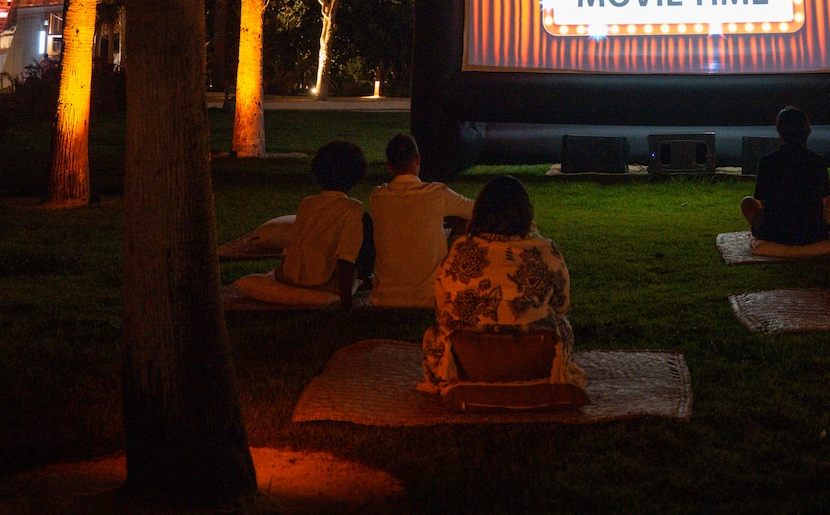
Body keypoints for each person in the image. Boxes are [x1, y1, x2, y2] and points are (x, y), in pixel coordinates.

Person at [417, 175, 584, 394]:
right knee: (562, 325)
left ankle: (455, 377)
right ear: (525, 211)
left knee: (434, 334)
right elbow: (561, 305)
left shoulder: (460, 250)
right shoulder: (545, 250)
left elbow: (441, 307)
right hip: (533, 361)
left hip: (470, 362)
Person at [231, 140, 374, 306]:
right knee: (367, 225)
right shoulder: (353, 208)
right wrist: (346, 301)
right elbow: (346, 258)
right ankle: (365, 276)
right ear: (356, 175)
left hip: (289, 276)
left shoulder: (307, 203)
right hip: (324, 282)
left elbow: (295, 242)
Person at [364, 133, 474, 308]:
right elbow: (476, 210)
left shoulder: (378, 196)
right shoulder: (437, 193)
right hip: (429, 297)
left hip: (384, 297)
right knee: (464, 223)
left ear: (389, 166)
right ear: (417, 160)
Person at [740, 106, 830, 247]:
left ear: (780, 132)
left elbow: (763, 201)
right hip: (813, 232)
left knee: (747, 202)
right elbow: (824, 199)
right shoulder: (817, 161)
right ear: (807, 132)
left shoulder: (767, 162)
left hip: (775, 232)